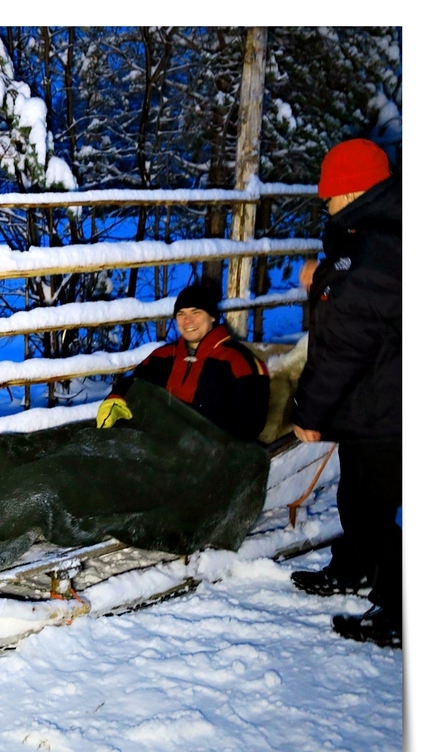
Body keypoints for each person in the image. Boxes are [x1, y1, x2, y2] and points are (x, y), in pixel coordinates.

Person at [288, 138, 401, 648]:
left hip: (386, 402)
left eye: (329, 196)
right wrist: (325, 282)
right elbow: (349, 295)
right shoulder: (377, 235)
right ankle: (355, 569)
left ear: (353, 190)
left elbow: (344, 341)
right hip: (379, 395)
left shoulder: (376, 248)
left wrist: (308, 410)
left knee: (370, 506)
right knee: (356, 493)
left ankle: (400, 609)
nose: (325, 204)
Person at [96, 284, 271, 443]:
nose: (188, 321)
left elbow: (249, 424)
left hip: (212, 453)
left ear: (212, 317)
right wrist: (116, 398)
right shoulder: (162, 356)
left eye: (196, 312)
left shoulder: (239, 362)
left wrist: (195, 437)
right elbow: (135, 383)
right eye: (181, 314)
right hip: (159, 445)